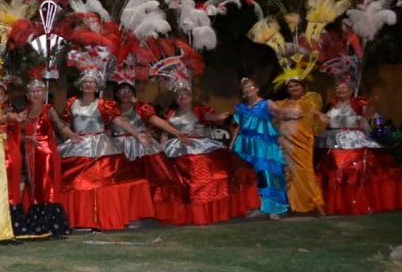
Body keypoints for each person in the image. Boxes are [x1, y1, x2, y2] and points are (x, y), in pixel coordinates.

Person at [57, 73, 155, 231]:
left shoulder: (104, 104)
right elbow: (64, 124)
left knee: (108, 183)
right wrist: (70, 135)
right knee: (76, 183)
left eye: (92, 82)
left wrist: (138, 134)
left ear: (97, 87)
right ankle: (81, 219)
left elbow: (119, 120)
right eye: (86, 82)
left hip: (101, 146)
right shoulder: (71, 103)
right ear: (81, 85)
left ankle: (108, 217)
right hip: (78, 145)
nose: (89, 85)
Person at [162, 83, 262, 225]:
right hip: (176, 148)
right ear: (175, 99)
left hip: (199, 146)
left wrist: (218, 117)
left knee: (210, 177)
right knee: (177, 181)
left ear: (191, 97)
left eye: (185, 94)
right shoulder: (170, 113)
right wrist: (162, 145)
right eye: (179, 95)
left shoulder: (198, 110)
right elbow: (166, 131)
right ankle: (185, 213)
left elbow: (209, 116)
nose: (182, 97)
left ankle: (207, 212)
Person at [315, 79, 402, 215]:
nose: (340, 90)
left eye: (344, 88)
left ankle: (360, 202)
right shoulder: (332, 104)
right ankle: (333, 203)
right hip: (331, 139)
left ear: (350, 91)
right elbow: (327, 121)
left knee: (355, 169)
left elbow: (366, 117)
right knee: (331, 169)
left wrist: (370, 108)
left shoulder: (358, 103)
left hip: (352, 139)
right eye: (338, 88)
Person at [109, 82, 190, 224]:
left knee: (157, 178)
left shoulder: (141, 107)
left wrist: (176, 132)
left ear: (134, 93)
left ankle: (153, 211)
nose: (126, 93)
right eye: (122, 91)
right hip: (118, 148)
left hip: (142, 146)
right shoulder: (110, 109)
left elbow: (155, 119)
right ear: (117, 94)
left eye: (129, 90)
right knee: (123, 183)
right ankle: (128, 214)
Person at [232, 77, 299, 219]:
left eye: (251, 86)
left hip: (265, 145)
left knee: (269, 173)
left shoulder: (266, 104)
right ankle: (259, 206)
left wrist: (290, 113)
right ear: (243, 92)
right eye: (245, 87)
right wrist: (232, 144)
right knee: (253, 176)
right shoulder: (241, 108)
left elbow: (278, 112)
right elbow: (237, 127)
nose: (248, 89)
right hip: (247, 145)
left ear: (256, 89)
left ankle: (275, 207)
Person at [21, 79, 71, 236]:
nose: (36, 94)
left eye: (39, 91)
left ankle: (51, 224)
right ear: (28, 95)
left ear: (44, 94)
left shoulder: (48, 109)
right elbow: (18, 133)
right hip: (29, 154)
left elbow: (60, 126)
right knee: (34, 187)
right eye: (33, 91)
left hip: (47, 154)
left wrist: (73, 136)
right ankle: (36, 223)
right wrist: (26, 139)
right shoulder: (24, 112)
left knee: (47, 187)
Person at [275, 78, 327, 217]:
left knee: (305, 172)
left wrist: (320, 115)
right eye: (290, 86)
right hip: (284, 142)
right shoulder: (282, 103)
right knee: (287, 173)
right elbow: (272, 114)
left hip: (302, 142)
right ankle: (290, 205)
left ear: (303, 87)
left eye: (296, 85)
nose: (293, 88)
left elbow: (314, 112)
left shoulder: (308, 101)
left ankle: (317, 204)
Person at [0, 81, 28, 235]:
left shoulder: (11, 112)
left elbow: (16, 127)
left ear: (5, 97)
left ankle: (13, 223)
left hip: (9, 153)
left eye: (0, 94)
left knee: (11, 187)